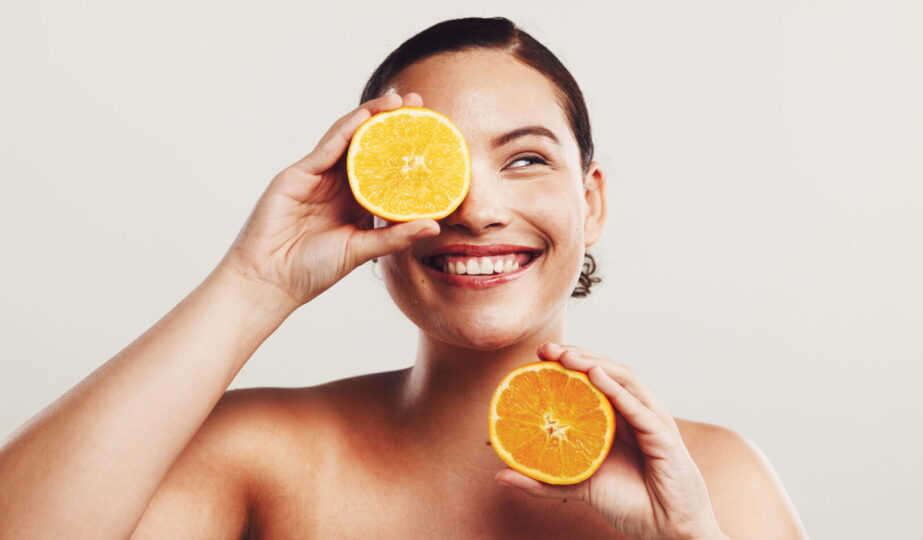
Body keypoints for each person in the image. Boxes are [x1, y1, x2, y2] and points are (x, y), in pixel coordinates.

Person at [0, 17, 807, 539]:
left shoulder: (713, 480)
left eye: (525, 158)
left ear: (590, 202)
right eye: (432, 165)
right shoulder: (262, 458)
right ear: (371, 196)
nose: (478, 208)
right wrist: (256, 280)